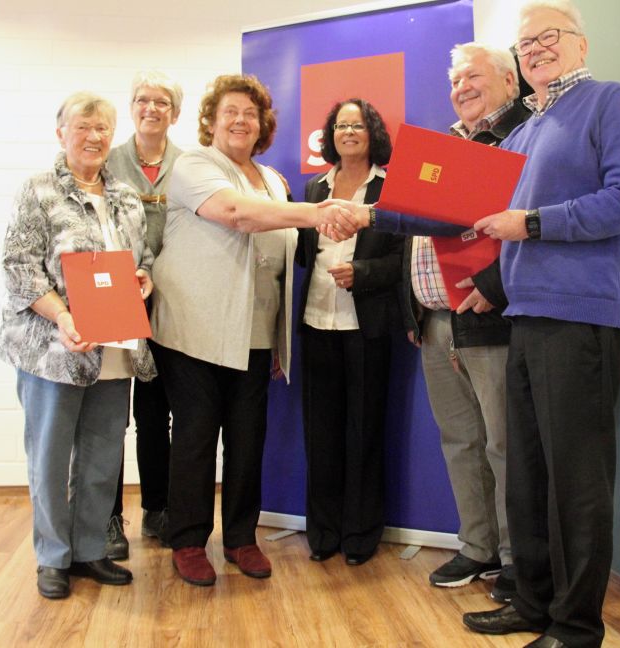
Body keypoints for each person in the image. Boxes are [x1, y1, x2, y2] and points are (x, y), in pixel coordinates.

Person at [461, 2, 620, 646]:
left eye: (549, 37)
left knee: (577, 481)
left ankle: (576, 627)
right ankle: (535, 601)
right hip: (527, 316)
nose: (536, 49)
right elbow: (489, 215)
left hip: (581, 317)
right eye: (525, 43)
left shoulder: (610, 102)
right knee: (530, 476)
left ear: (580, 44)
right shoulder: (522, 132)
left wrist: (533, 223)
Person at [322, 43, 529, 601]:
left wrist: (495, 285)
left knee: (504, 444)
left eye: (473, 77)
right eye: (455, 79)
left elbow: (527, 226)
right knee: (461, 440)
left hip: (490, 318)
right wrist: (414, 307)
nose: (461, 87)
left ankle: (517, 560)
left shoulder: (522, 137)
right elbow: (419, 225)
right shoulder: (444, 144)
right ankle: (479, 547)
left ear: (509, 80)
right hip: (435, 321)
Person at [148, 74, 350, 587]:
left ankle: (240, 538)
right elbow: (236, 215)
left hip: (255, 336)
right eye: (230, 112)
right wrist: (318, 213)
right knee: (194, 438)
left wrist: (279, 336)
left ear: (263, 126)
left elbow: (279, 265)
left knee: (247, 440)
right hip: (195, 329)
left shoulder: (274, 180)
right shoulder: (192, 166)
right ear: (212, 121)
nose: (241, 121)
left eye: (251, 114)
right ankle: (190, 541)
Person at [0, 92, 155, 599]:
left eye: (103, 129)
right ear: (61, 132)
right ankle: (52, 556)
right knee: (49, 457)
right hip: (53, 349)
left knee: (102, 455)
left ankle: (90, 548)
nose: (94, 137)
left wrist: (143, 280)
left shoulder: (127, 196)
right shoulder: (38, 191)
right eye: (84, 126)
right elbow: (19, 269)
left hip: (114, 347)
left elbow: (143, 258)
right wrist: (64, 315)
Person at [296, 99, 404, 566]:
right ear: (330, 135)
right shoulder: (313, 186)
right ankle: (323, 533)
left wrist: (364, 272)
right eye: (340, 125)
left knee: (364, 432)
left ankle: (360, 536)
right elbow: (303, 252)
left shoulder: (390, 186)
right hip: (316, 322)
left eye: (357, 125)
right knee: (321, 434)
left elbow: (405, 260)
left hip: (367, 326)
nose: (348, 132)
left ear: (372, 132)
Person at [104, 70, 184, 560]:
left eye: (160, 101)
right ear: (131, 107)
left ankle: (158, 508)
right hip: (114, 296)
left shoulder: (191, 163)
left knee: (156, 412)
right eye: (141, 100)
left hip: (170, 298)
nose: (150, 108)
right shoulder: (107, 161)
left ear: (174, 112)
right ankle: (107, 516)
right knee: (108, 414)